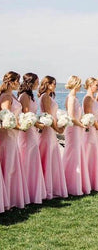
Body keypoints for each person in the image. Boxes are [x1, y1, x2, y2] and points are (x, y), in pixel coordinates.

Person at [0, 71, 29, 209]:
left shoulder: (13, 96)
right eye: (17, 81)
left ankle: (11, 197)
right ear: (11, 82)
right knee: (8, 165)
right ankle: (6, 200)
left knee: (12, 165)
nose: (19, 83)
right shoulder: (6, 97)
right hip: (8, 136)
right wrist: (21, 126)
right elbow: (6, 118)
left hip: (14, 135)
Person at [18, 72, 47, 204]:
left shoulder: (32, 96)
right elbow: (27, 115)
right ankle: (27, 192)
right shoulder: (24, 96)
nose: (38, 83)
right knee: (28, 158)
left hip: (33, 131)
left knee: (33, 159)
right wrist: (39, 124)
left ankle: (34, 191)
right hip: (27, 132)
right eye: (37, 81)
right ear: (31, 82)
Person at [38, 76, 68, 199]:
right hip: (48, 131)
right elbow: (49, 117)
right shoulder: (45, 97)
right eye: (53, 84)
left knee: (52, 158)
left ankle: (51, 187)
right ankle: (47, 189)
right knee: (47, 158)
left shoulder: (48, 97)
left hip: (51, 131)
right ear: (47, 84)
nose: (55, 86)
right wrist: (59, 129)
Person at [63, 75, 91, 196]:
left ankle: (77, 183)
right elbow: (70, 116)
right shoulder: (71, 98)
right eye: (79, 83)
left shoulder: (75, 98)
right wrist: (81, 125)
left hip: (77, 129)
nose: (80, 86)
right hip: (73, 130)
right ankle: (70, 185)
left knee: (77, 155)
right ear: (75, 84)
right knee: (72, 155)